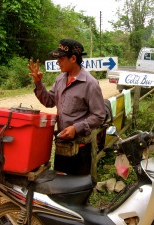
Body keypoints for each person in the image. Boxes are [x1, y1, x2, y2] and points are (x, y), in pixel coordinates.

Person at [28, 39, 106, 176]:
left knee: (77, 189)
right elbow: (49, 101)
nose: (58, 62)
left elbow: (99, 115)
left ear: (73, 58)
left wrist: (76, 128)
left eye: (61, 58)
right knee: (60, 185)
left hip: (80, 148)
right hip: (62, 146)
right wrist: (38, 83)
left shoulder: (90, 84)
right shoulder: (60, 79)